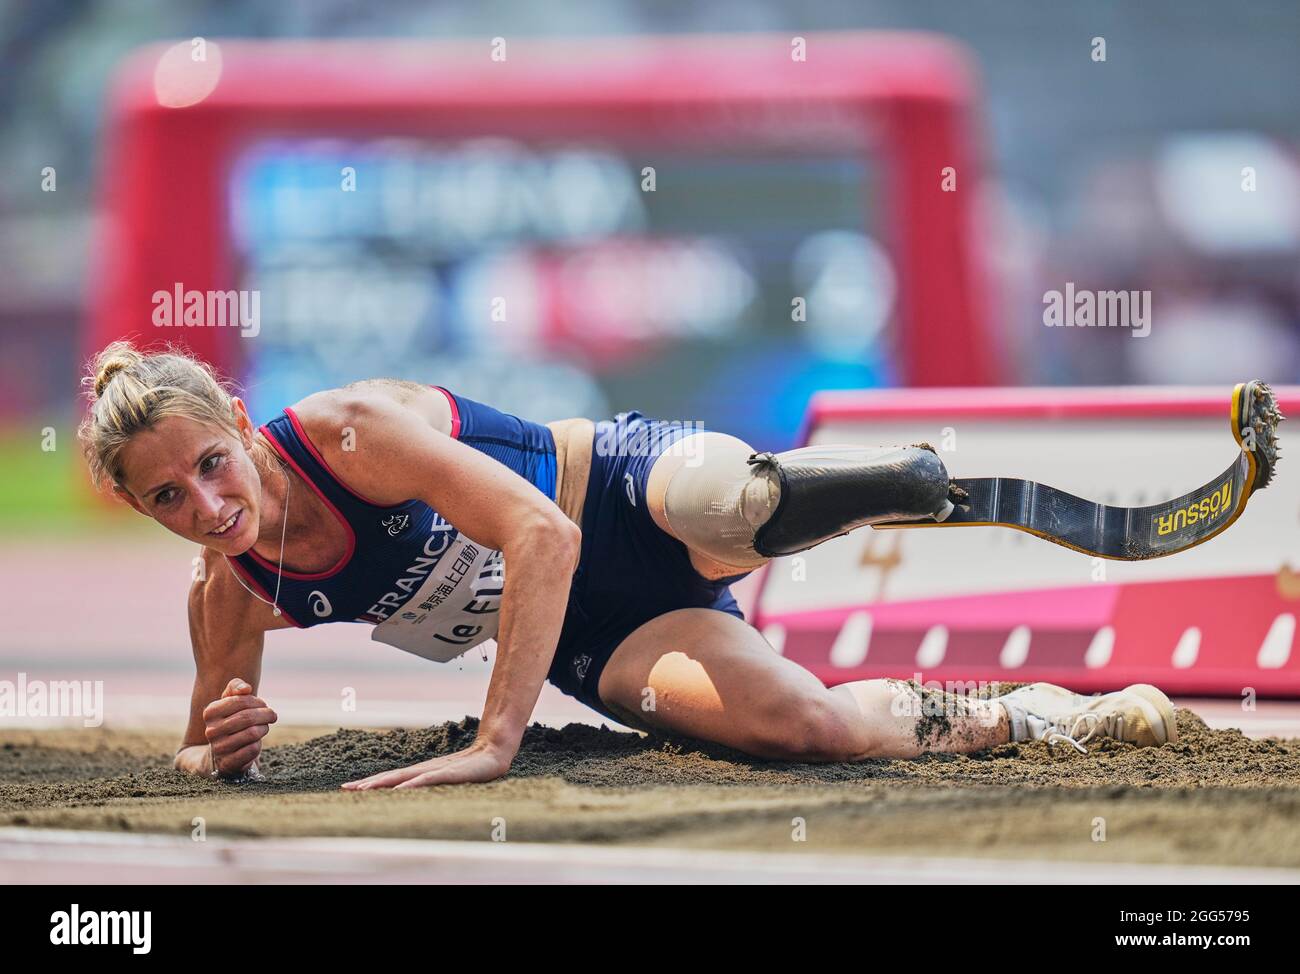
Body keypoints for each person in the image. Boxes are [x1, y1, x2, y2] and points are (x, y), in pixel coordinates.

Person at [78, 341, 1178, 790]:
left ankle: (883, 486)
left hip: (612, 489)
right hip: (599, 634)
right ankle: (1047, 711)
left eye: (213, 465)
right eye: (166, 496)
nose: (207, 506)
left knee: (726, 500)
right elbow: (199, 760)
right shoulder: (228, 591)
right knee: (803, 730)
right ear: (132, 500)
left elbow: (543, 536)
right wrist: (219, 746)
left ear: (236, 417)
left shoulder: (350, 431)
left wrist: (494, 741)